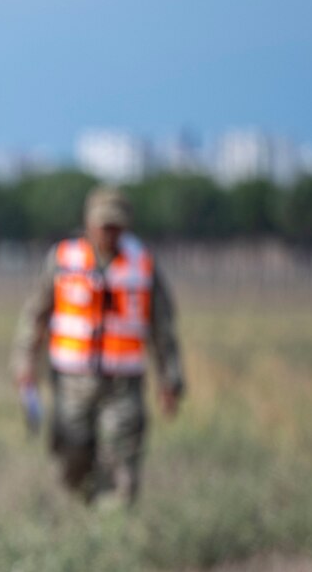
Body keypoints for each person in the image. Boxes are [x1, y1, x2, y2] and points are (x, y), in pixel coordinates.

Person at [11, 186, 185, 505]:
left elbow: (163, 328)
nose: (111, 233)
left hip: (123, 383)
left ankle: (114, 531)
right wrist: (24, 366)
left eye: (117, 226)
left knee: (122, 463)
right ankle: (81, 516)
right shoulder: (63, 260)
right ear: (89, 224)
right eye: (105, 226)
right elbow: (35, 315)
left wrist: (170, 379)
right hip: (70, 382)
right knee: (71, 462)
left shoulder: (142, 263)